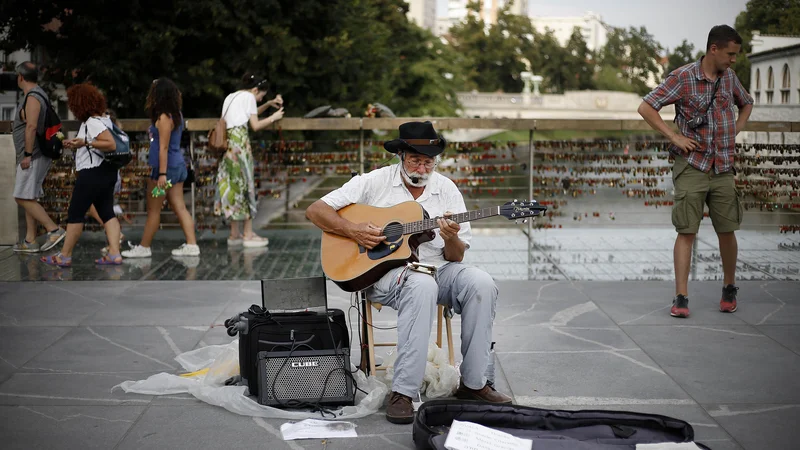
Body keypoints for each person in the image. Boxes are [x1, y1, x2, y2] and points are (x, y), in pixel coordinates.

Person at [305, 121, 512, 425]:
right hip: (386, 275)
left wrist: (451, 236)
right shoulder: (374, 182)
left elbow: (455, 256)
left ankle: (474, 383)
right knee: (420, 285)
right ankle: (403, 392)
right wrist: (355, 230)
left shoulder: (446, 189)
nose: (422, 166)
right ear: (400, 155)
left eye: (428, 161)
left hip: (438, 270)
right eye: (415, 159)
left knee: (481, 283)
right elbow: (316, 210)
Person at [637, 25, 753, 318]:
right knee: (686, 230)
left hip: (724, 166)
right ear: (714, 49)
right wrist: (673, 136)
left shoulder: (730, 79)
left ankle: (729, 288)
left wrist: (735, 129)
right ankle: (681, 297)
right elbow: (647, 107)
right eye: (730, 54)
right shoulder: (683, 77)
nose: (733, 60)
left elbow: (747, 103)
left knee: (727, 230)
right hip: (692, 165)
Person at [41, 83, 122, 267]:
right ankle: (114, 254)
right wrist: (80, 143)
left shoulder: (92, 122)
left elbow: (110, 144)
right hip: (107, 172)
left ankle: (65, 256)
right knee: (107, 214)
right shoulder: (105, 120)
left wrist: (85, 142)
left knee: (75, 213)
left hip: (92, 173)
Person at [122, 78, 199, 258]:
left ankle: (144, 247)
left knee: (153, 209)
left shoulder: (164, 117)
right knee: (179, 206)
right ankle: (192, 245)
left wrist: (162, 175)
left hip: (165, 171)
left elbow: (163, 147)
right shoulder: (176, 114)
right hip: (176, 167)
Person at [214, 72, 284, 247]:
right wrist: (273, 117)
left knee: (233, 186)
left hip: (228, 147)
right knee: (246, 186)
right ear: (254, 89)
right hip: (240, 145)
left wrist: (268, 104)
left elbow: (247, 114)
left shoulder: (232, 97)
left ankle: (234, 234)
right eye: (261, 96)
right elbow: (255, 125)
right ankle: (248, 234)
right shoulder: (249, 97)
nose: (260, 99)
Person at [11, 61, 66, 253]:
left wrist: (26, 154)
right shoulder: (37, 94)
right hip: (34, 155)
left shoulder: (33, 97)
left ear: (20, 77)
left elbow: (32, 126)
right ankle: (30, 240)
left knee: (20, 196)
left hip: (32, 155)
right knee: (29, 196)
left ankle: (54, 229)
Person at [87, 108, 129, 252]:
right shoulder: (117, 133)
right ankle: (113, 243)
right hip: (113, 175)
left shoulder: (105, 134)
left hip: (105, 174)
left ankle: (115, 239)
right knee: (104, 209)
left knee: (98, 209)